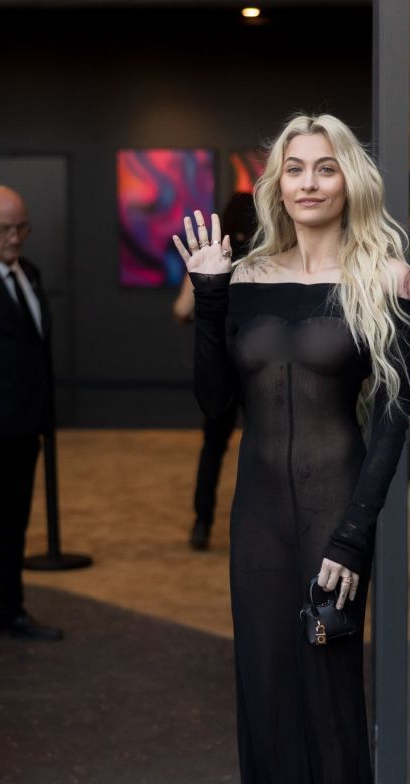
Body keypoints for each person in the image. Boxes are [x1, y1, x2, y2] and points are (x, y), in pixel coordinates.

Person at [173, 114, 410, 784]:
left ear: (347, 180)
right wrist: (208, 295)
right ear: (276, 184)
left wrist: (354, 539)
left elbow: (394, 424)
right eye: (295, 169)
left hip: (334, 523)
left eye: (326, 168)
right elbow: (215, 406)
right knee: (268, 714)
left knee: (327, 722)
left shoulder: (385, 277)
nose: (311, 182)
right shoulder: (243, 278)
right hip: (256, 529)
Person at [0, 185, 62, 641]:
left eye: (22, 227)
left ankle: (8, 612)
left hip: (24, 429)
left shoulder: (28, 272)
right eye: (4, 229)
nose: (15, 238)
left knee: (13, 527)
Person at [173, 194, 256, 550]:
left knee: (213, 448)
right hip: (257, 366)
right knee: (263, 444)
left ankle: (201, 522)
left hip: (221, 364)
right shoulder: (264, 260)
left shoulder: (213, 258)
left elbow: (180, 309)